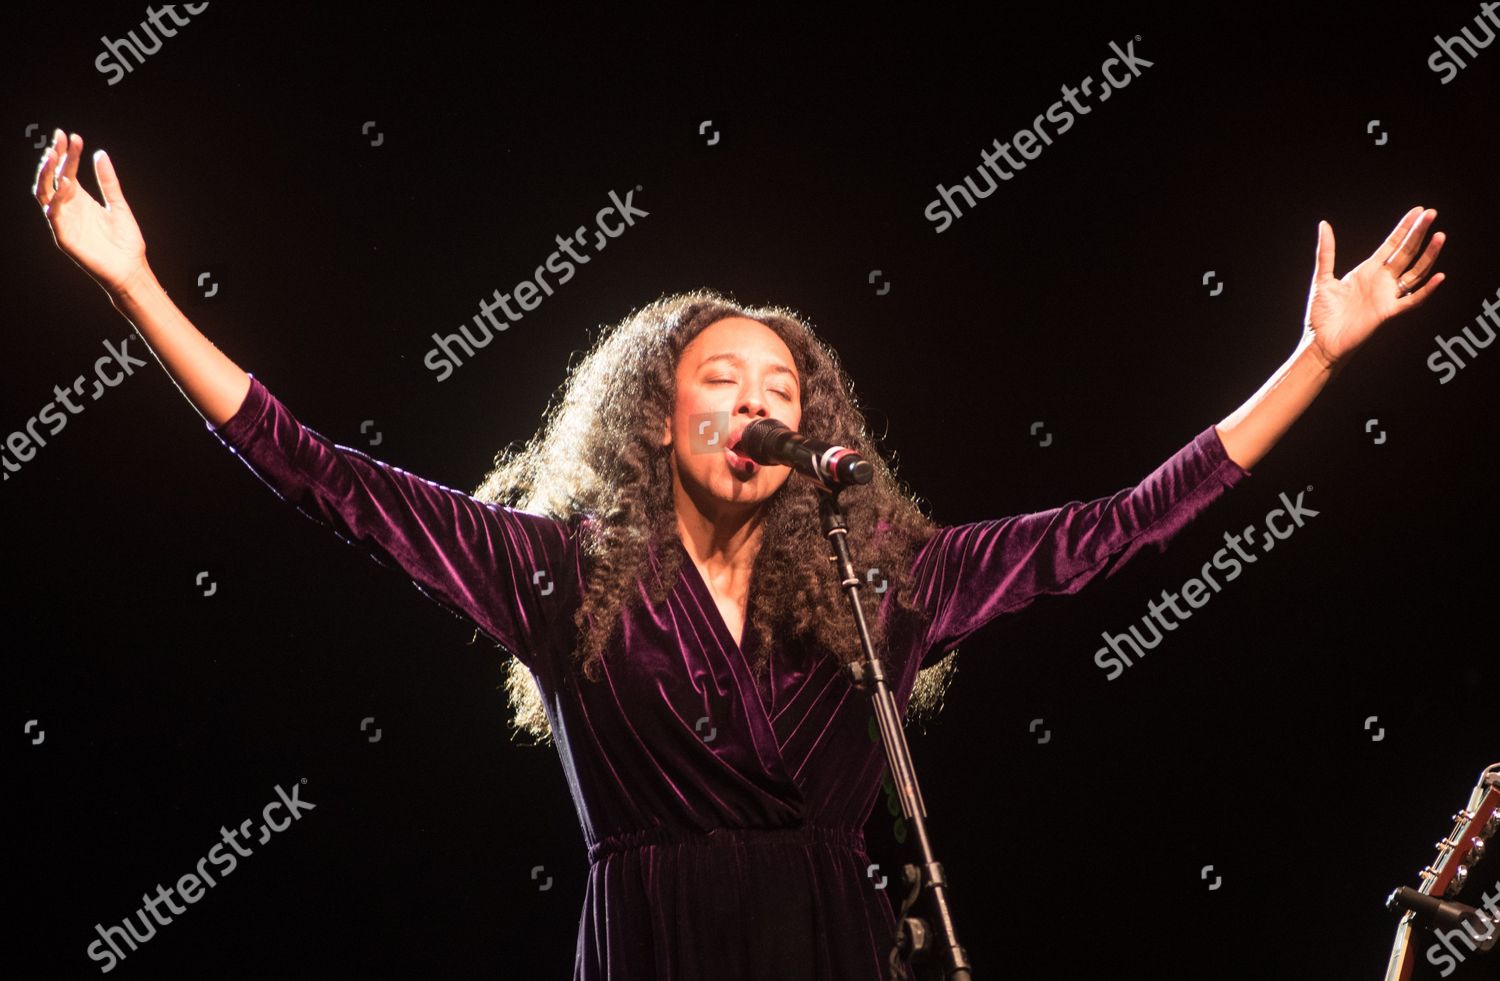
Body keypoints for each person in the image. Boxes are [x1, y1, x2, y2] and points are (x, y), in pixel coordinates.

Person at [32, 129, 1446, 980]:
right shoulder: (562, 574)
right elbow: (318, 472)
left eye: (779, 383)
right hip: (656, 943)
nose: (754, 401)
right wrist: (140, 286)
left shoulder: (880, 576)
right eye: (719, 378)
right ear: (656, 416)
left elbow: (1121, 524)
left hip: (836, 943)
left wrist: (1311, 361)